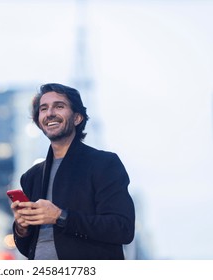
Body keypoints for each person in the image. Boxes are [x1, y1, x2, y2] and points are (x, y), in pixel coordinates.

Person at [10, 83, 135, 260]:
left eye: (59, 106)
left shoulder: (104, 163)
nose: (50, 113)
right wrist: (22, 228)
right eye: (43, 109)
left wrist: (60, 216)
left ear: (77, 118)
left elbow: (123, 229)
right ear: (39, 121)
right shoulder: (32, 176)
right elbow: (28, 247)